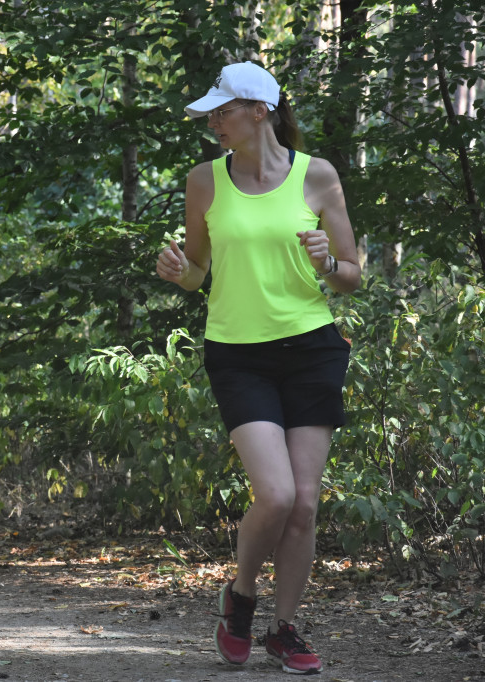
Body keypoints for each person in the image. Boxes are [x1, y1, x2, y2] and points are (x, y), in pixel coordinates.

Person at [156, 61, 360, 674]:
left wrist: (328, 262)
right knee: (273, 494)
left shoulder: (316, 175)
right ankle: (241, 595)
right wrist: (179, 273)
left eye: (223, 111)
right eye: (211, 113)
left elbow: (352, 276)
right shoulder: (204, 182)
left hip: (312, 349)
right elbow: (199, 274)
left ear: (260, 110)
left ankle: (285, 628)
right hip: (238, 353)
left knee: (303, 503)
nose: (213, 121)